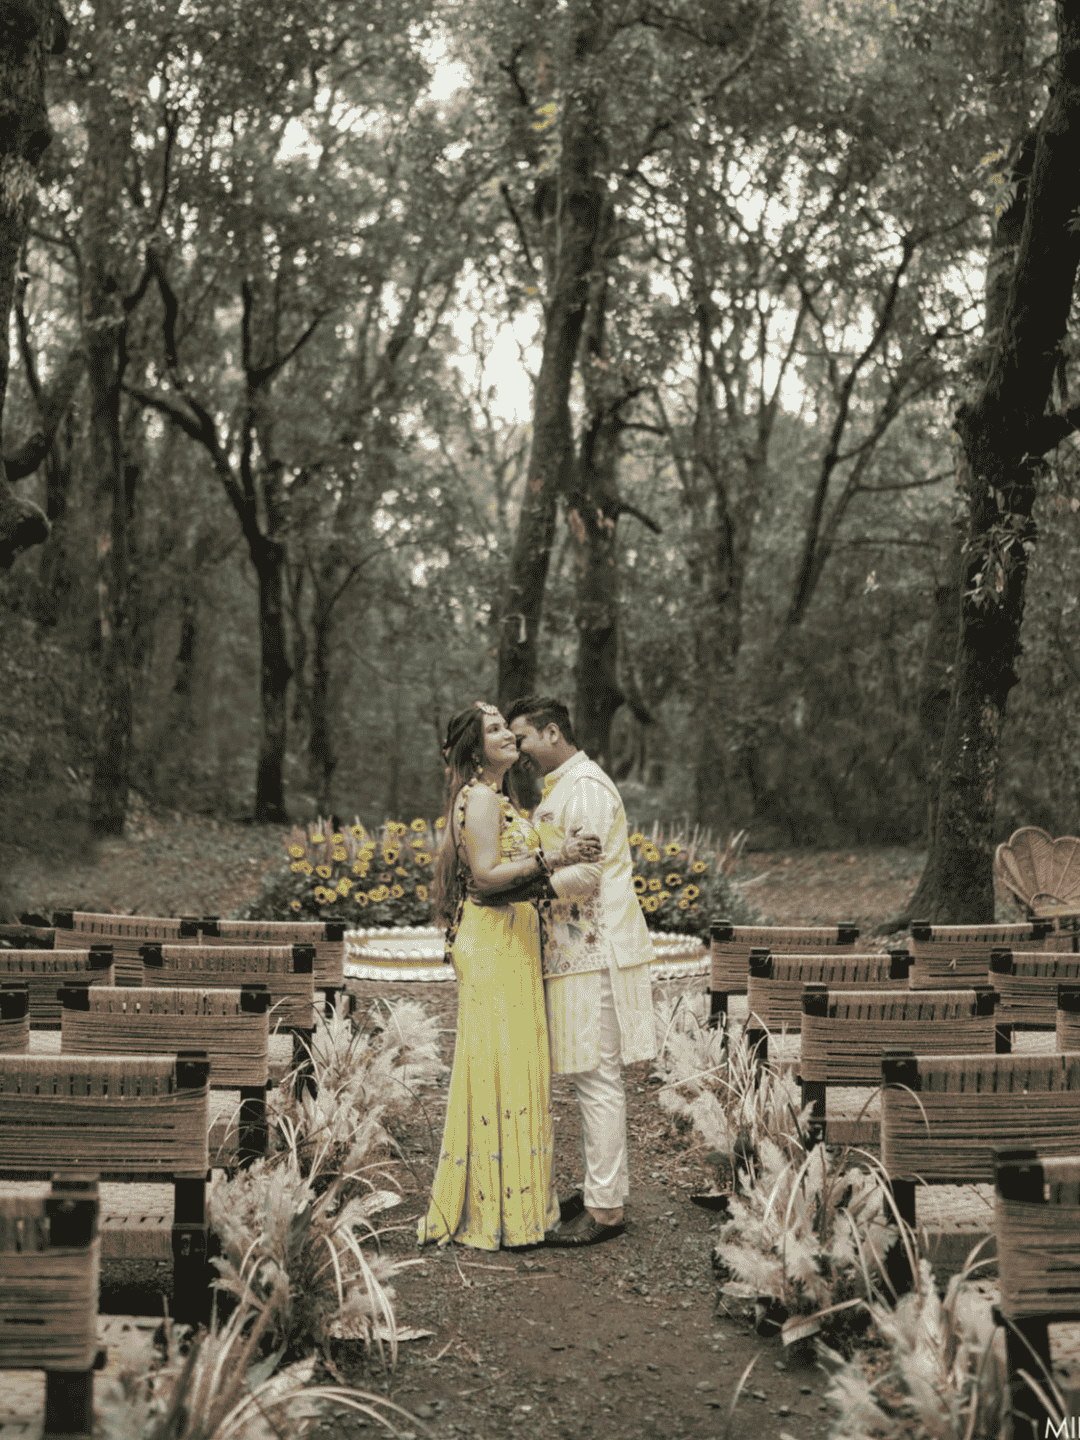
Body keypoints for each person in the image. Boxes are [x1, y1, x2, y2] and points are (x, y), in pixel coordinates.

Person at [418, 701, 601, 1251]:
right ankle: (498, 1210)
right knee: (502, 1064)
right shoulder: (478, 797)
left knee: (516, 1065)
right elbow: (485, 874)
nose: (508, 735)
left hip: (511, 940)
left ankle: (516, 1202)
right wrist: (556, 857)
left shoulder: (495, 797)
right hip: (494, 942)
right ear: (475, 749)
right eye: (494, 728)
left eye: (506, 726)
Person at [505, 695, 656, 1247]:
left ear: (551, 732)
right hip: (575, 950)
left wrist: (519, 888)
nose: (518, 749)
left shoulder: (586, 787)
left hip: (596, 950)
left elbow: (587, 874)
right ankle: (600, 1188)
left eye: (522, 737)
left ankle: (607, 1209)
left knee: (597, 1078)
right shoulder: (562, 786)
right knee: (589, 1076)